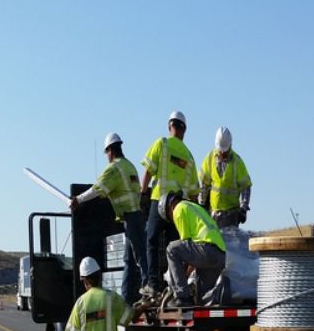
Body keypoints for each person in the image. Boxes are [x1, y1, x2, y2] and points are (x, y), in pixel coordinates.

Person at [70, 132, 148, 305]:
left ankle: (148, 289)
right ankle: (127, 297)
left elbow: (97, 189)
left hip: (131, 216)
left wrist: (78, 200)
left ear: (110, 150)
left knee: (140, 255)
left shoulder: (114, 168)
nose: (107, 156)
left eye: (106, 153)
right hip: (134, 217)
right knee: (129, 260)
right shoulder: (130, 167)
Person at [140, 111, 199, 297]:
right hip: (176, 208)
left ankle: (153, 284)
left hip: (158, 202)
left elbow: (149, 171)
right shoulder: (188, 157)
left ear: (169, 126)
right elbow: (194, 192)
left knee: (151, 241)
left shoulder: (162, 144)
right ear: (185, 130)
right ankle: (174, 286)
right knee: (174, 247)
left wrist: (143, 193)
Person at [158, 192, 226, 308]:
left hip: (205, 249)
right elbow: (192, 254)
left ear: (169, 207)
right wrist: (185, 275)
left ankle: (182, 297)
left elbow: (185, 245)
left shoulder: (179, 209)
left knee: (171, 249)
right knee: (202, 300)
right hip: (219, 255)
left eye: (169, 217)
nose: (172, 219)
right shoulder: (195, 207)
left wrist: (181, 279)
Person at [199, 126, 252, 228]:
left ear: (230, 145)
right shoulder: (209, 158)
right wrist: (202, 204)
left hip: (232, 216)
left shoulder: (237, 162)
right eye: (220, 150)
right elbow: (204, 184)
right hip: (212, 214)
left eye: (225, 151)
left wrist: (243, 208)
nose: (222, 153)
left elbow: (246, 187)